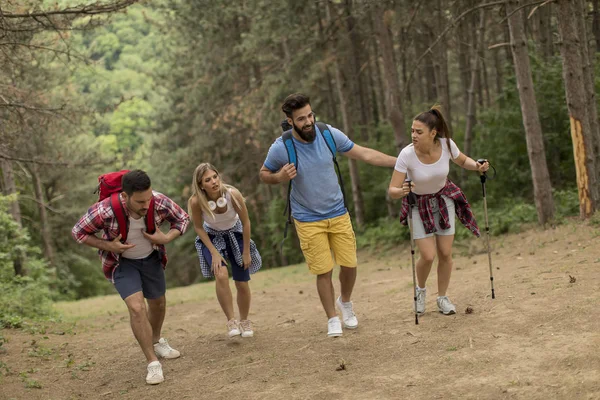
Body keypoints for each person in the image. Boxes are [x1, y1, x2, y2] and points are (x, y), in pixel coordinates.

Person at [259, 93, 397, 337]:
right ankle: (332, 317)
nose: (308, 121)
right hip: (307, 218)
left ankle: (345, 302)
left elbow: (364, 153)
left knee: (350, 265)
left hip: (338, 212)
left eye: (310, 115)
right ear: (290, 121)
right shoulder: (282, 147)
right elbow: (263, 173)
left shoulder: (328, 134)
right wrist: (278, 177)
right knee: (324, 270)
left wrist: (399, 163)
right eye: (301, 119)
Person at [71, 170, 189, 385]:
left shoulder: (158, 201)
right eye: (140, 201)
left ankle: (156, 340)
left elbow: (182, 219)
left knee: (158, 304)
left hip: (152, 259)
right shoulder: (105, 210)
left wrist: (167, 237)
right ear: (125, 197)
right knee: (136, 308)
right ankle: (152, 363)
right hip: (122, 263)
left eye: (148, 198)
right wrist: (108, 245)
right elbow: (78, 232)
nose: (146, 205)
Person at [388, 105, 489, 316]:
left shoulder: (446, 145)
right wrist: (403, 190)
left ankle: (442, 298)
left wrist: (477, 166)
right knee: (427, 255)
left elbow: (462, 160)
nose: (413, 135)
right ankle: (421, 290)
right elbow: (392, 190)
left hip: (444, 199)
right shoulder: (406, 155)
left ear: (433, 133)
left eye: (419, 132)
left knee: (445, 253)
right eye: (412, 131)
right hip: (418, 204)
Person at [189, 163, 262, 339]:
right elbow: (198, 228)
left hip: (235, 234)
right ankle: (231, 321)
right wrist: (214, 252)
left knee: (241, 282)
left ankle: (244, 320)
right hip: (212, 237)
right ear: (201, 185)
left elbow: (246, 222)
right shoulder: (196, 201)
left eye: (215, 177)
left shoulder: (232, 195)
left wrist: (246, 252)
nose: (214, 182)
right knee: (221, 274)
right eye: (208, 180)